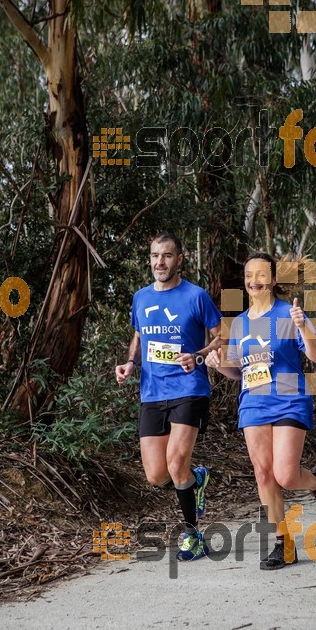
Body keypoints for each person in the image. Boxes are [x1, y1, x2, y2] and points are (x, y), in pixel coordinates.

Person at [205, 251, 316, 570]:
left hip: (289, 397)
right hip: (253, 402)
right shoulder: (238, 323)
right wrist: (218, 363)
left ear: (274, 279)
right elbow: (238, 371)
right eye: (249, 275)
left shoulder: (288, 313)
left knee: (286, 475)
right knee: (264, 473)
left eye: (261, 274)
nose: (254, 280)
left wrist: (302, 327)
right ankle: (284, 544)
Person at [116, 232, 222, 562]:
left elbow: (222, 338)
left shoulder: (196, 296)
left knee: (176, 464)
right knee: (156, 475)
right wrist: (131, 363)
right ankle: (196, 480)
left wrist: (199, 355)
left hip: (189, 390)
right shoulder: (141, 298)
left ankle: (193, 536)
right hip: (152, 393)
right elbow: (138, 335)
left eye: (167, 256)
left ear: (180, 259)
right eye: (154, 256)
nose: (160, 262)